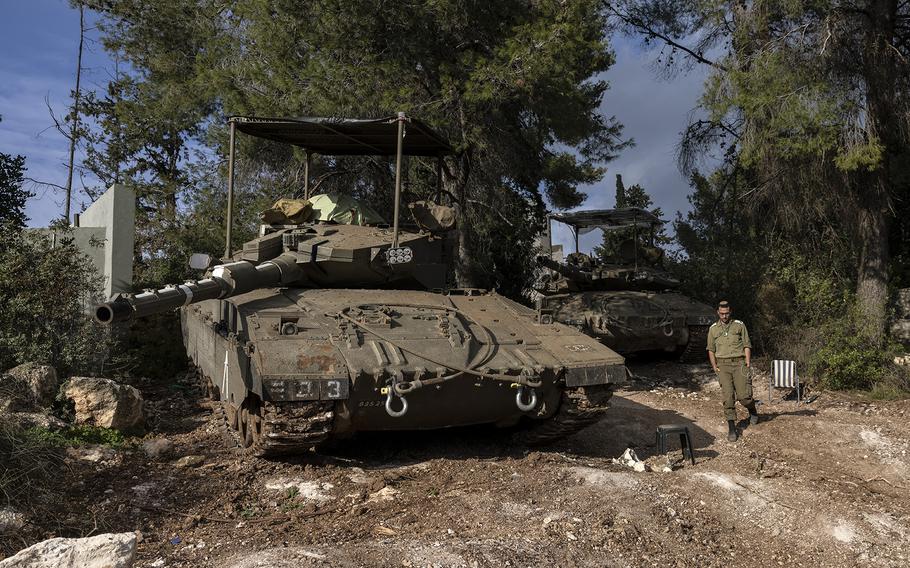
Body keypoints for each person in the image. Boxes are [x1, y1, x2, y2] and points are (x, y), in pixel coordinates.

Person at [706, 300, 758, 442]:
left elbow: (747, 344)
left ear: (730, 312)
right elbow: (711, 349)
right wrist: (714, 366)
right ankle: (731, 428)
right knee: (728, 398)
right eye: (722, 313)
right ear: (718, 313)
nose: (724, 316)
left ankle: (752, 410)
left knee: (744, 397)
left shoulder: (739, 325)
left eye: (727, 313)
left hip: (739, 363)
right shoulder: (713, 329)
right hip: (723, 366)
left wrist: (747, 362)